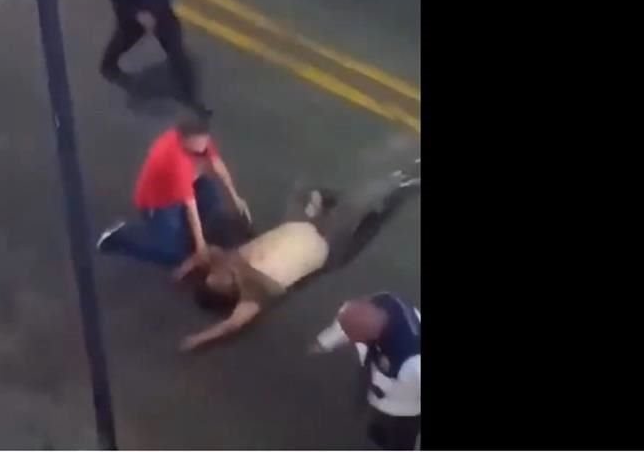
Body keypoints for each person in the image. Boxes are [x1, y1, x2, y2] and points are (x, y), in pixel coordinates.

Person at [174, 160, 420, 352]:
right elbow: (231, 325)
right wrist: (198, 339)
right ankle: (399, 192)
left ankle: (396, 180)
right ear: (226, 293)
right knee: (370, 223)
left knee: (324, 196)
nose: (218, 273)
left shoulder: (228, 261)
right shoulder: (252, 296)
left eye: (212, 275)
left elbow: (206, 255)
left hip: (301, 224)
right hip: (328, 246)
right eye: (218, 281)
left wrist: (184, 270)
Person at [97, 111, 250, 267]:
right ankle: (119, 235)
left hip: (191, 182)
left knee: (212, 208)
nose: (203, 151)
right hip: (160, 202)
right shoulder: (176, 161)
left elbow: (217, 163)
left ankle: (193, 234)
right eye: (197, 150)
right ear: (185, 141)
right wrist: (201, 246)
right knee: (173, 253)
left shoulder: (199, 140)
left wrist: (235, 197)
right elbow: (191, 207)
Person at [310, 293, 421, 451]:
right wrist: (324, 343)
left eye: (356, 338)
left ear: (373, 335)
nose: (353, 341)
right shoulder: (379, 304)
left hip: (405, 409)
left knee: (401, 440)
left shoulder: (413, 361)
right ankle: (380, 433)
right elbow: (346, 324)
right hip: (378, 394)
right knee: (379, 426)